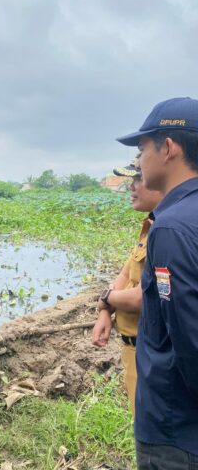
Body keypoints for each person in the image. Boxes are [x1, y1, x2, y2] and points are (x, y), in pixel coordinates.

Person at [117, 97, 198, 469]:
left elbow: (189, 338)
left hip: (174, 428)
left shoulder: (171, 227)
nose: (139, 161)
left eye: (142, 148)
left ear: (168, 148)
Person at [92, 157, 162, 414]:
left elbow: (147, 296)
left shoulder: (167, 231)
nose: (131, 186)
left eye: (138, 178)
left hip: (150, 351)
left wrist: (107, 298)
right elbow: (126, 272)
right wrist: (104, 311)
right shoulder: (150, 224)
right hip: (133, 347)